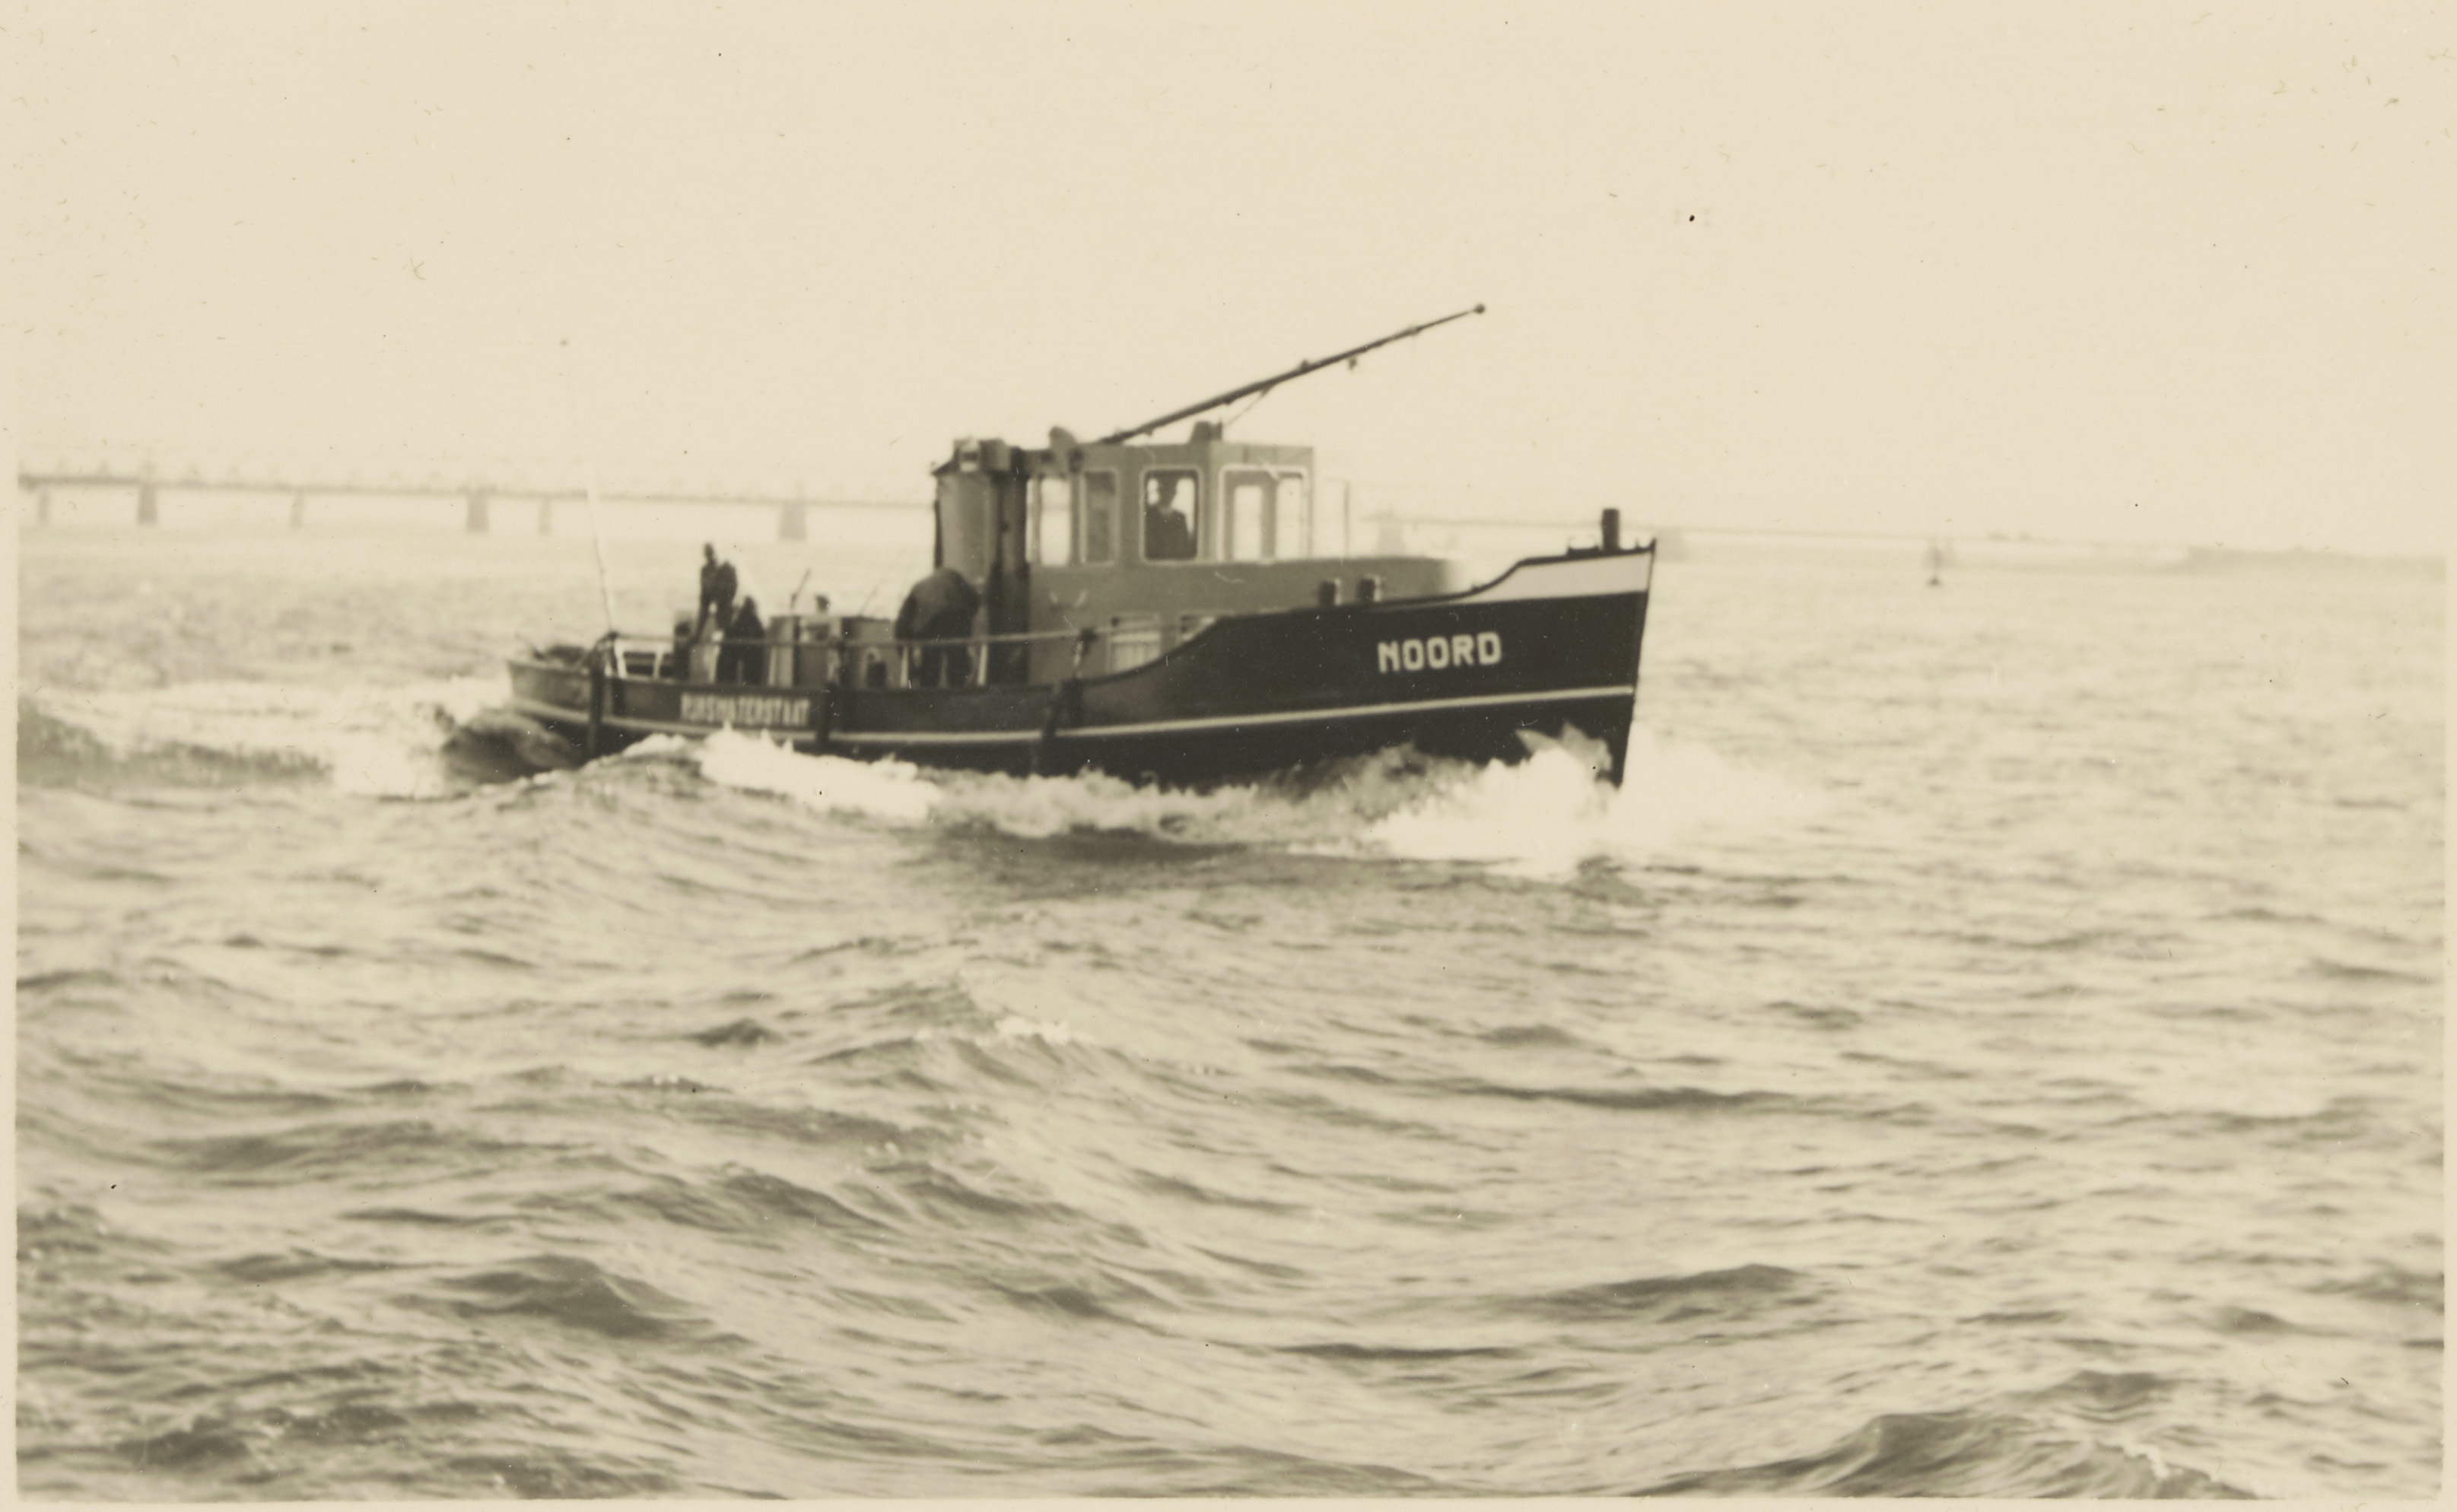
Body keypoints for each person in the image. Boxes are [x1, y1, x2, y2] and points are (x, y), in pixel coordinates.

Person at [893, 567, 982, 688]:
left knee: (932, 665)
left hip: (935, 619)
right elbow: (975, 600)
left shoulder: (917, 592)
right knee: (956, 661)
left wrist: (911, 667)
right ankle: (956, 688)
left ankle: (932, 690)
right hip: (954, 614)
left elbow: (901, 634)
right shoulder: (946, 578)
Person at [1143, 478, 1196, 561]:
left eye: (1172, 492)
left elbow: (1185, 544)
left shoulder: (1181, 517)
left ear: (1175, 493)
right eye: (1165, 491)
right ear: (1159, 491)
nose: (1168, 495)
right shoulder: (1149, 514)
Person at [720, 596, 765, 685]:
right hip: (746, 651)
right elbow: (761, 633)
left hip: (745, 651)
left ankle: (728, 682)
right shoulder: (753, 621)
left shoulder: (745, 620)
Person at [698, 544, 739, 634]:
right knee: (705, 609)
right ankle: (698, 634)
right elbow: (704, 594)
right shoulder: (706, 570)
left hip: (725, 602)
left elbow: (732, 588)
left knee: (724, 614)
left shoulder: (725, 568)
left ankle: (724, 631)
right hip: (715, 599)